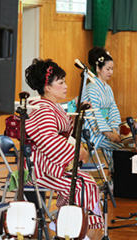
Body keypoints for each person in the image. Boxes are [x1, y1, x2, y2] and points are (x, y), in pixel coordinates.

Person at [24, 58, 103, 232]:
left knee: (85, 182)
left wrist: (78, 116)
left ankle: (69, 226)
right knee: (81, 185)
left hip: (51, 164)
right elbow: (48, 140)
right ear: (48, 87)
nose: (65, 86)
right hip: (40, 167)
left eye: (64, 81)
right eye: (61, 82)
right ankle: (72, 228)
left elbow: (65, 132)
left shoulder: (52, 106)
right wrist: (76, 152)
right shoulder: (43, 108)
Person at [81, 47, 123, 176]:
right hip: (93, 129)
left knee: (121, 147)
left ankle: (114, 175)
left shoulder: (108, 88)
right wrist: (108, 133)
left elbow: (113, 109)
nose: (110, 72)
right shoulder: (91, 88)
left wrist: (115, 129)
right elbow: (94, 113)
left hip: (105, 129)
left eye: (112, 69)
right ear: (98, 69)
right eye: (108, 69)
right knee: (118, 147)